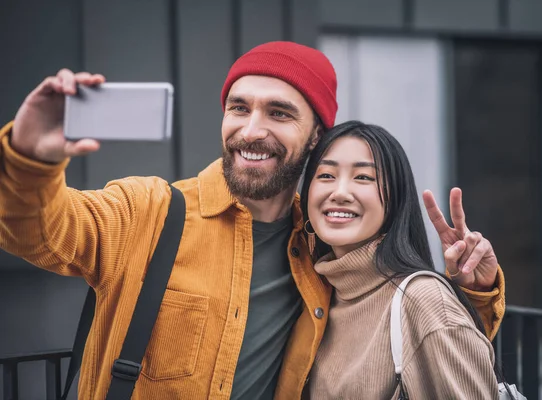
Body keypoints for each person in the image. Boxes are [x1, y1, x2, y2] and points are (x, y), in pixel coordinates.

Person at [0, 41, 505, 399]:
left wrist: (471, 291)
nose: (252, 129)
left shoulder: (323, 250)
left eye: (280, 114)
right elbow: (37, 231)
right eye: (239, 108)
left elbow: (408, 336)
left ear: (314, 138)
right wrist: (30, 159)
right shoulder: (149, 212)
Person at [300, 120, 504, 399]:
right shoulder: (318, 291)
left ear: (395, 199)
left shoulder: (423, 300)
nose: (339, 192)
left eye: (363, 177)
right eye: (325, 175)